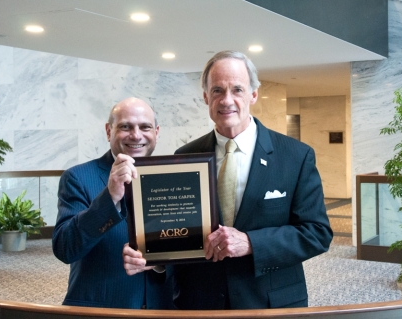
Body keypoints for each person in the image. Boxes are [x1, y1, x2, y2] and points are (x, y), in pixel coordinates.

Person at [123, 50, 333, 309]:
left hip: (271, 304)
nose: (227, 100)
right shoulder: (185, 157)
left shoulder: (296, 156)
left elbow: (317, 233)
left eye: (237, 90)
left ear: (253, 94)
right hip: (199, 302)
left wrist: (251, 243)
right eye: (217, 91)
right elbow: (181, 232)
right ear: (205, 97)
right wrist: (157, 257)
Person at [53, 97, 174, 309]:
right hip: (101, 309)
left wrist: (161, 263)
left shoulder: (173, 179)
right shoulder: (78, 178)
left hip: (162, 308)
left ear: (156, 131)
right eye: (125, 127)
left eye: (145, 127)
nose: (136, 135)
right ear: (109, 131)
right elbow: (65, 249)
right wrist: (109, 197)